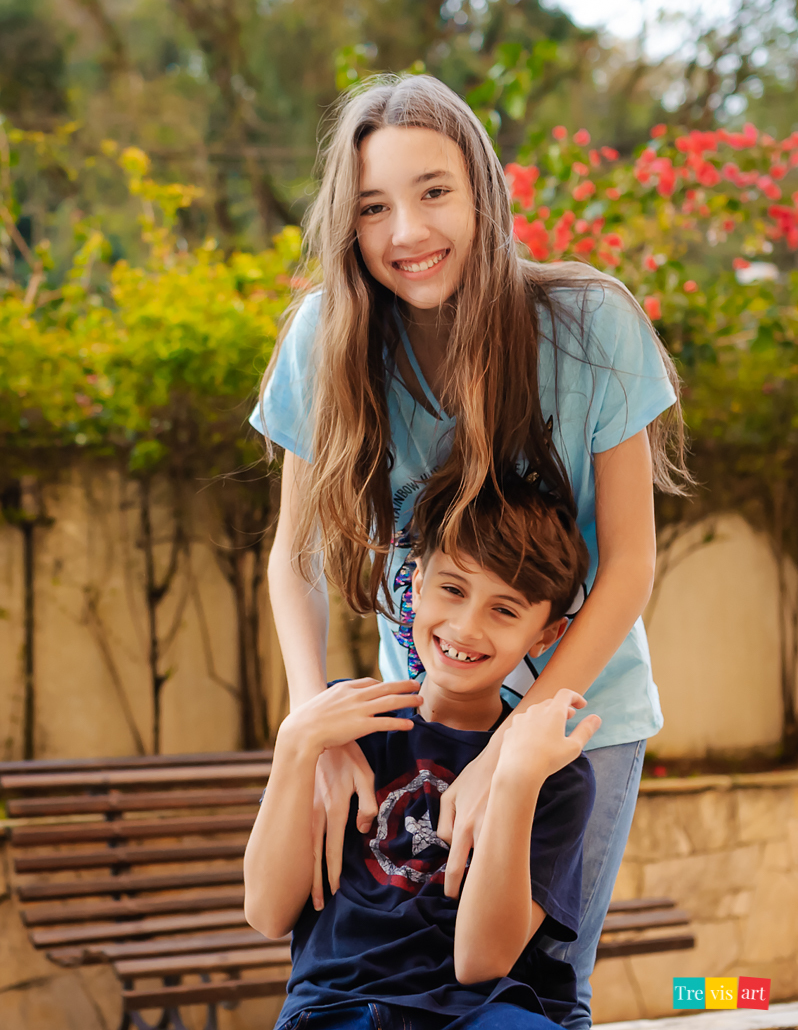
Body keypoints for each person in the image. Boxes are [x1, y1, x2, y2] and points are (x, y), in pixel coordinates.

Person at [250, 74, 687, 1028]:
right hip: (421, 712)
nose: (407, 230)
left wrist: (515, 750)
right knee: (405, 985)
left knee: (533, 989)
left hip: (577, 719)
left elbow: (629, 566)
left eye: (434, 191)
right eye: (374, 207)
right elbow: (294, 557)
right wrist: (315, 729)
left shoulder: (592, 324)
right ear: (347, 224)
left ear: (483, 192)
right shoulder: (325, 339)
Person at [244, 474, 601, 1030]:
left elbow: (481, 961)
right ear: (414, 582)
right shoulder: (343, 729)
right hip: (336, 1009)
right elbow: (267, 912)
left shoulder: (553, 773)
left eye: (504, 610)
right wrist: (297, 744)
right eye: (453, 589)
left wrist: (514, 782)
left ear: (545, 636)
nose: (465, 626)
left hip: (480, 1013)